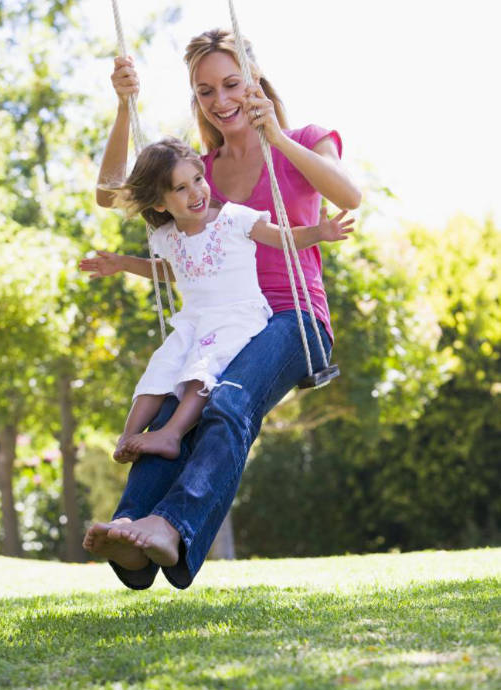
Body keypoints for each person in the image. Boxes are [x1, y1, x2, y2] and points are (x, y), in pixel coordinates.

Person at [82, 29, 361, 588]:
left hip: (292, 320)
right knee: (167, 417)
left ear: (255, 81)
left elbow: (349, 195)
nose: (221, 100)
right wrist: (122, 107)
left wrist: (275, 136)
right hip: (217, 323)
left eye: (232, 84)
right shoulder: (198, 172)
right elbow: (111, 193)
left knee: (226, 404)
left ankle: (173, 525)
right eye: (205, 90)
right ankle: (131, 532)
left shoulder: (304, 138)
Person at [81, 138, 353, 466]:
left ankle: (172, 433)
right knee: (162, 366)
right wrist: (123, 263)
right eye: (180, 188)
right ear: (160, 204)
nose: (196, 192)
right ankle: (128, 436)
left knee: (202, 368)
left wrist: (318, 232)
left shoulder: (233, 219)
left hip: (237, 316)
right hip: (193, 320)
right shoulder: (166, 236)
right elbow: (171, 271)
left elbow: (285, 238)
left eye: (198, 179)